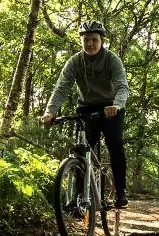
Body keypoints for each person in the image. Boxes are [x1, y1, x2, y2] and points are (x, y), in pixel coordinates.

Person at [40, 20, 130, 208]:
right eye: (86, 40)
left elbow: (122, 86)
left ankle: (121, 191)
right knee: (80, 151)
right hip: (86, 108)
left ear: (102, 41)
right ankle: (79, 198)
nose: (90, 43)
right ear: (81, 41)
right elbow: (61, 88)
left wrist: (117, 104)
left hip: (111, 107)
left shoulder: (112, 59)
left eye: (94, 40)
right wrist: (50, 111)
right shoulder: (74, 62)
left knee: (115, 145)